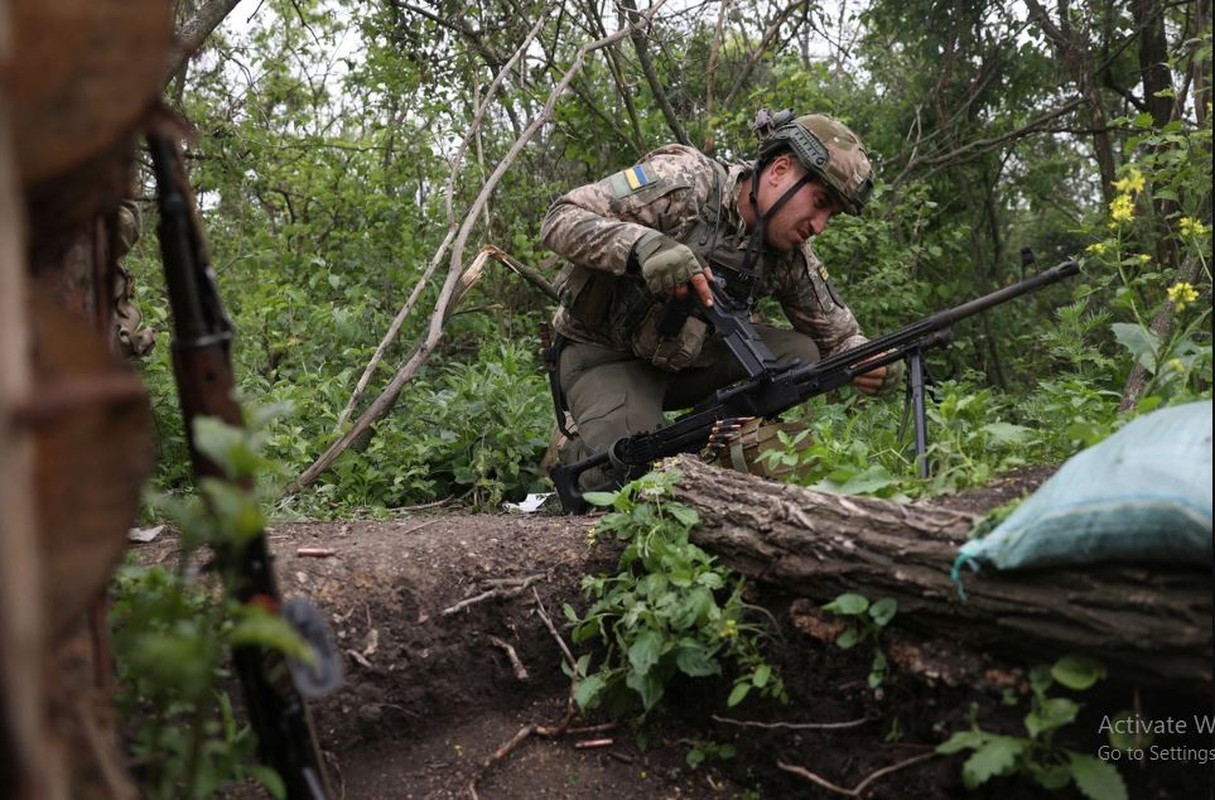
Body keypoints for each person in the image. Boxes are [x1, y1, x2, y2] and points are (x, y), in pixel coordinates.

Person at [541, 110, 900, 489]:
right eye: (820, 202)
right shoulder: (685, 183)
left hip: (689, 362)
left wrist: (872, 361)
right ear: (779, 170)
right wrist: (642, 247)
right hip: (603, 357)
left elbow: (839, 338)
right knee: (630, 480)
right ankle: (575, 443)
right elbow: (561, 217)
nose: (819, 225)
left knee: (801, 355)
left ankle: (706, 449)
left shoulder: (790, 254)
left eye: (832, 214)